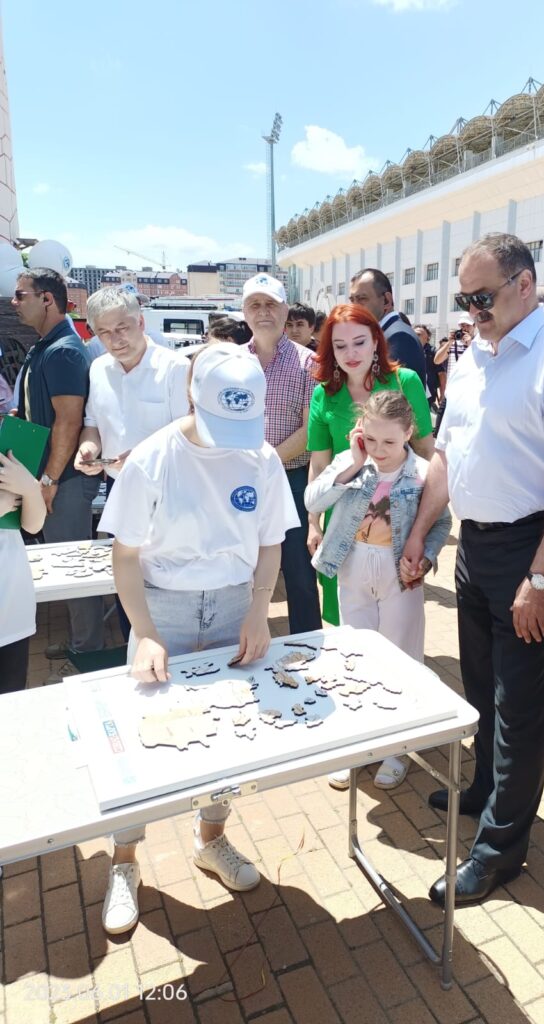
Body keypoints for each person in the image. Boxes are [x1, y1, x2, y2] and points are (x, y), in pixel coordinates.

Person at [402, 232, 544, 907]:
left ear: (526, 283)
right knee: (484, 687)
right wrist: (421, 535)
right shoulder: (471, 360)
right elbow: (446, 457)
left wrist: (543, 578)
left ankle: (499, 852)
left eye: (482, 296)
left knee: (521, 708)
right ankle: (488, 795)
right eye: (463, 299)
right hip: (476, 548)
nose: (471, 310)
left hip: (531, 551)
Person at [96, 342, 299, 935]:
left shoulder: (258, 455)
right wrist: (146, 631)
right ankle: (126, 861)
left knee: (228, 737)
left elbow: (268, 543)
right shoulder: (154, 457)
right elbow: (126, 554)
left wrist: (260, 612)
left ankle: (212, 839)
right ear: (192, 393)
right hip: (165, 608)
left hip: (237, 603)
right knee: (146, 737)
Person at [305, 391, 451, 789]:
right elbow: (311, 498)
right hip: (352, 566)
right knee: (355, 654)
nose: (379, 450)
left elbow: (441, 522)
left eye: (389, 441)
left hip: (399, 572)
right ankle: (359, 742)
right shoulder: (352, 462)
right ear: (359, 432)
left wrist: (427, 556)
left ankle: (397, 745)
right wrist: (352, 464)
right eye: (371, 440)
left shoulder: (423, 472)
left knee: (402, 655)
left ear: (408, 432)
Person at [306, 303, 434, 659]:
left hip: (401, 527)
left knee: (401, 637)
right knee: (353, 635)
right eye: (340, 345)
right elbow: (319, 464)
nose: (351, 353)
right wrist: (313, 523)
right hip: (345, 529)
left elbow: (427, 452)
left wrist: (423, 528)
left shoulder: (404, 382)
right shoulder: (324, 394)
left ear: (377, 342)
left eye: (360, 342)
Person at [73, 288, 190, 641]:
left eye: (122, 327)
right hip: (118, 488)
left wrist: (140, 456)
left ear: (140, 321)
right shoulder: (98, 369)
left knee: (169, 581)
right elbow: (93, 422)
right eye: (104, 332)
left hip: (171, 491)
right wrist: (88, 449)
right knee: (126, 579)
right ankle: (135, 647)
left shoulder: (175, 368)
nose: (115, 339)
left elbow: (188, 434)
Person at [11, 268, 104, 658]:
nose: (14, 302)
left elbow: (69, 420)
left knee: (72, 568)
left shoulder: (63, 349)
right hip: (53, 478)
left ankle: (87, 650)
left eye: (21, 295)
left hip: (62, 480)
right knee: (66, 563)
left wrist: (47, 480)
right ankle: (86, 640)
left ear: (47, 299)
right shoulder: (48, 345)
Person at [242, 273, 322, 636]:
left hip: (289, 479)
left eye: (271, 304)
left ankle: (307, 645)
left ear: (285, 310)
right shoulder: (231, 364)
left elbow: (311, 432)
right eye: (255, 305)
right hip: (240, 479)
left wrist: (266, 459)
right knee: (241, 566)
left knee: (299, 573)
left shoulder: (309, 364)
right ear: (244, 312)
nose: (263, 312)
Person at [0, 450, 47, 690]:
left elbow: (33, 524)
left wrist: (29, 488)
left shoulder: (6, 450)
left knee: (10, 702)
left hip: (12, 609)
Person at [348, 269, 427, 384]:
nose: (354, 307)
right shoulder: (384, 333)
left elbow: (393, 397)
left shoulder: (399, 337)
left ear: (386, 300)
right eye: (352, 300)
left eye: (362, 299)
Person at [414, 323, 440, 410]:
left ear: (427, 338)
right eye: (414, 334)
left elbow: (442, 375)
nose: (416, 336)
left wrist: (442, 395)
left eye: (419, 334)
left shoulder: (433, 352)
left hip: (428, 396)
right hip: (411, 391)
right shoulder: (408, 350)